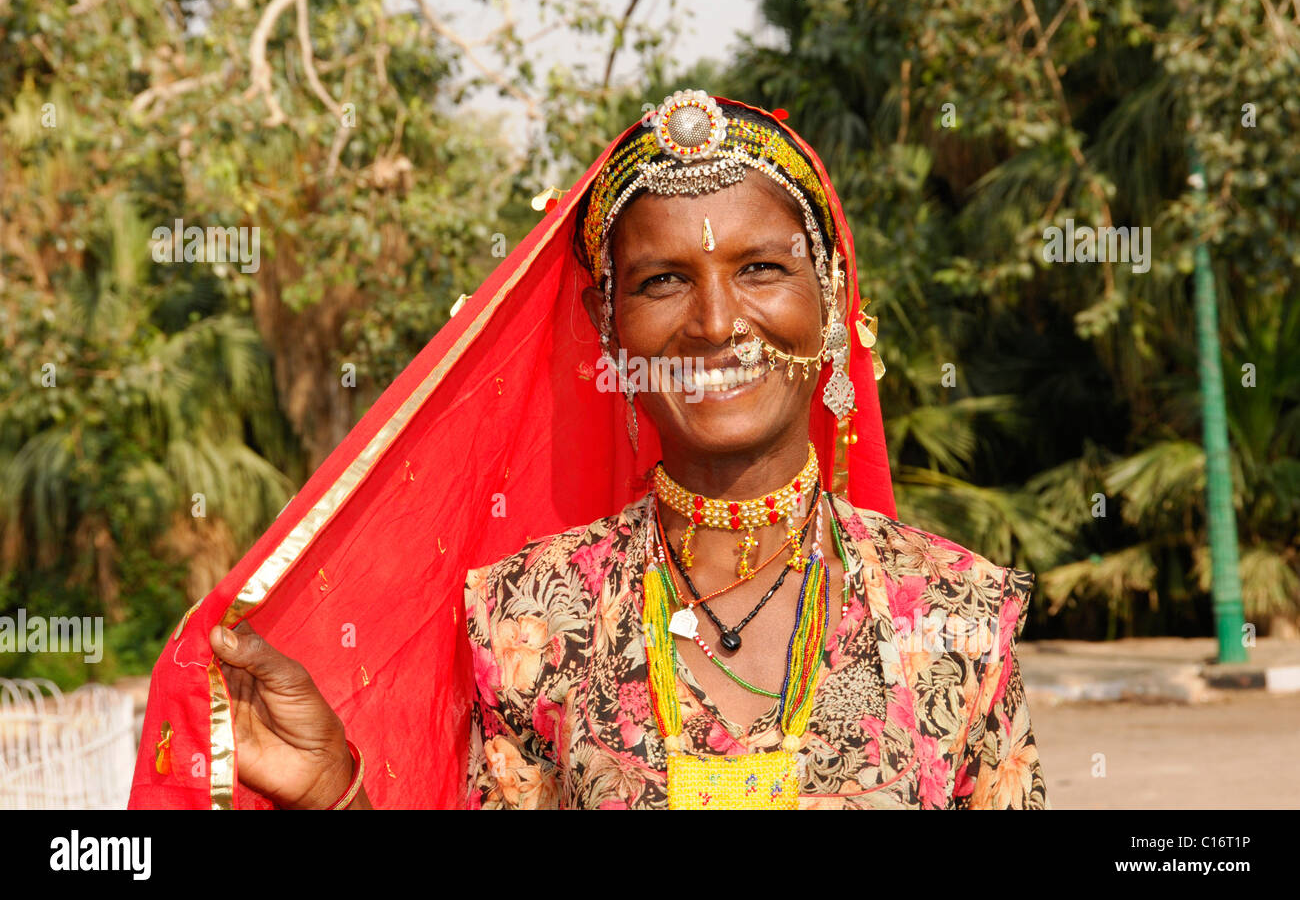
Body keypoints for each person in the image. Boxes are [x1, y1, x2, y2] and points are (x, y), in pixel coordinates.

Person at [129, 91, 1048, 810]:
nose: (718, 323)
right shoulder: (530, 616)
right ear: (610, 331)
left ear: (831, 298)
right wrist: (337, 793)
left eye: (761, 268)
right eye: (662, 281)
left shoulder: (958, 616)